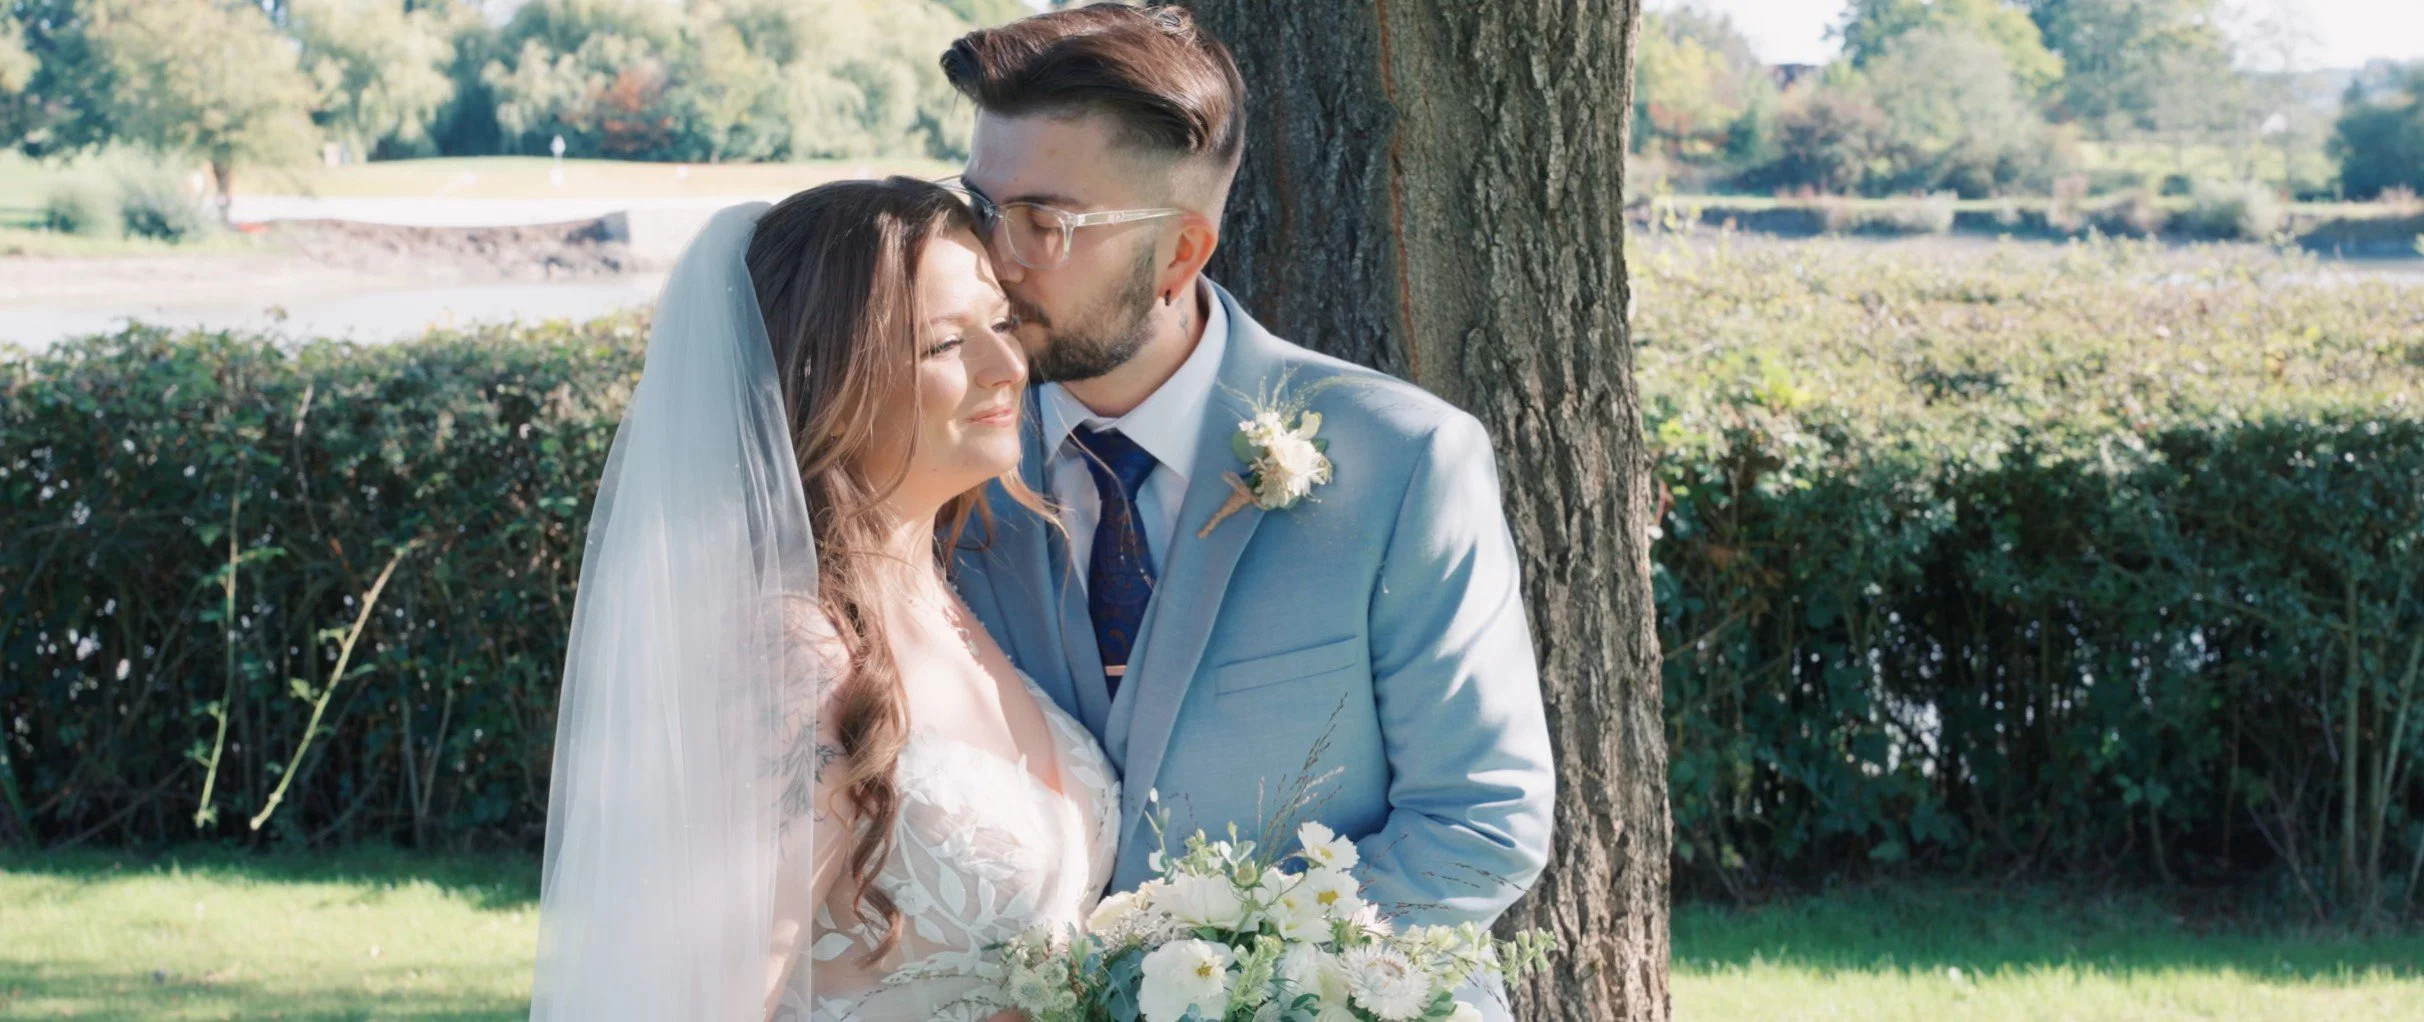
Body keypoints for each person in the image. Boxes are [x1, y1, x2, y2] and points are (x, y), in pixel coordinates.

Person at [939, 7, 1556, 1020]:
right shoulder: (940, 468)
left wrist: (1226, 990)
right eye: (980, 208)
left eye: (1044, 223)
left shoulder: (1406, 461)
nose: (994, 262)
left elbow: (1479, 817)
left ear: (1181, 252)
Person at [527, 179, 1119, 1022]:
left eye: (1001, 324)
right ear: (830, 376)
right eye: (945, 344)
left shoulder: (956, 605)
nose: (1007, 367)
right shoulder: (792, 653)